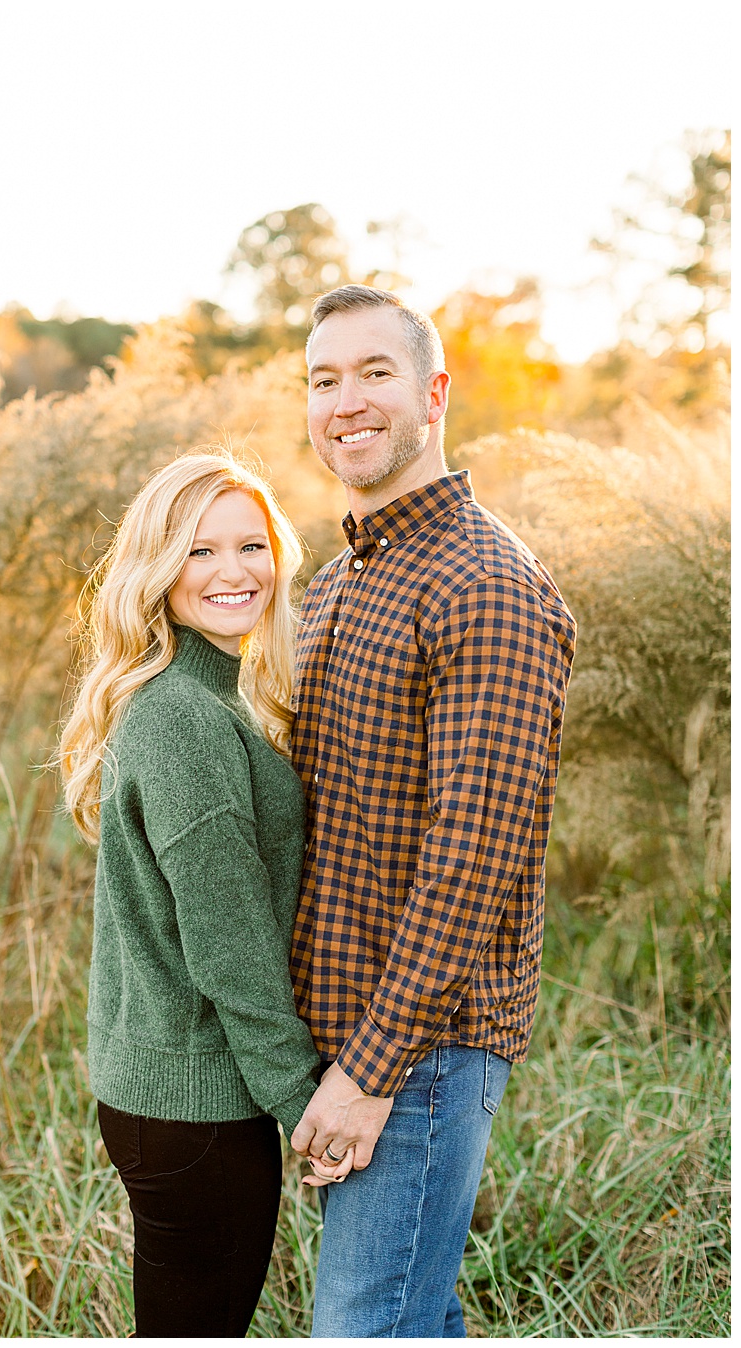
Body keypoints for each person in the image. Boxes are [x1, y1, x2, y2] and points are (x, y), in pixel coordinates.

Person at [285, 285, 576, 1336]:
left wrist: (369, 1071)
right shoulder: (338, 581)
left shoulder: (483, 583)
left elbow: (475, 857)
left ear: (435, 392)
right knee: (411, 1315)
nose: (346, 401)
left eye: (374, 373)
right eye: (324, 380)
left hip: (421, 1050)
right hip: (345, 1030)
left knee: (367, 1327)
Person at [58, 450, 346, 1337]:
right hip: (196, 1107)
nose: (233, 572)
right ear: (156, 569)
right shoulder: (183, 718)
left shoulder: (207, 698)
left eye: (250, 546)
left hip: (175, 1098)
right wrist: (310, 1109)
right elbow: (228, 948)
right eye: (199, 552)